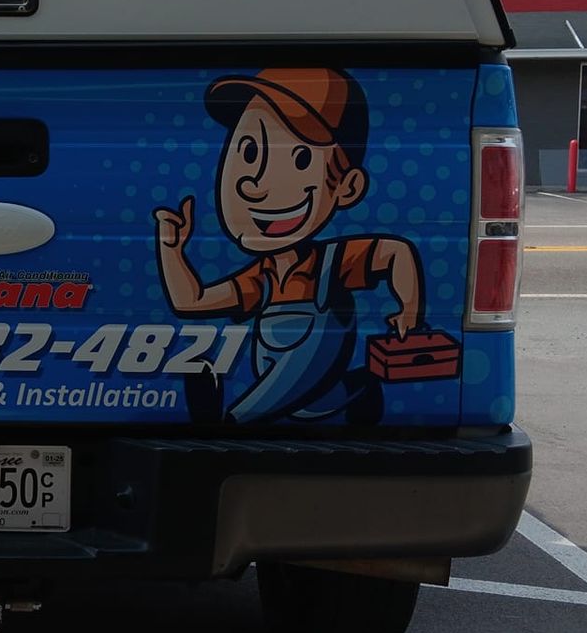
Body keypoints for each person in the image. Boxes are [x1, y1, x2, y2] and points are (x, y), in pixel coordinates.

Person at [155, 67, 424, 424]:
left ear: (347, 187)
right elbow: (191, 301)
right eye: (249, 152)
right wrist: (171, 249)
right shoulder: (262, 276)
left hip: (298, 380)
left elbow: (395, 253)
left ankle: (232, 419)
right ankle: (359, 390)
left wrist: (409, 308)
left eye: (300, 159)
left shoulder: (332, 261)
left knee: (287, 385)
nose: (254, 185)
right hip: (304, 397)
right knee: (315, 398)